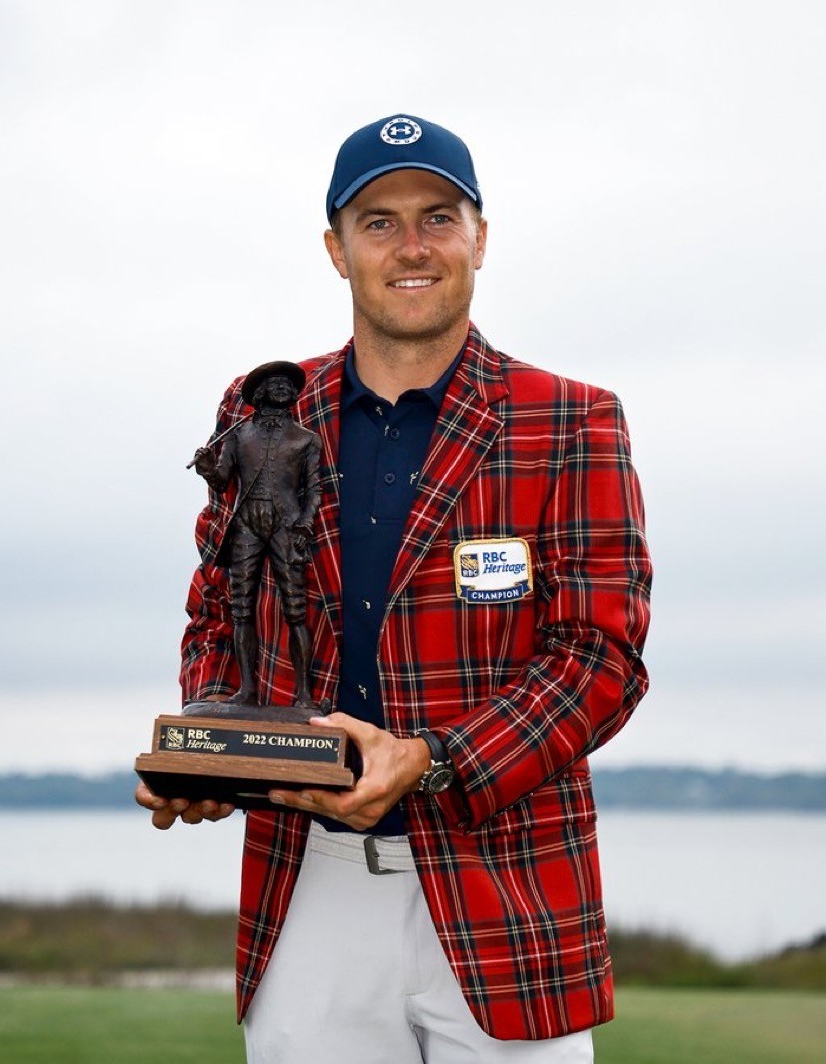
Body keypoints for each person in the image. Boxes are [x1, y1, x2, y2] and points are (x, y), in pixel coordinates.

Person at [136, 114, 652, 1063]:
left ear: (479, 238)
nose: (410, 245)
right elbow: (217, 602)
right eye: (377, 221)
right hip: (309, 882)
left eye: (437, 217)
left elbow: (600, 658)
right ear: (336, 249)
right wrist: (209, 741)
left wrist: (435, 758)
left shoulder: (572, 417)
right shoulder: (259, 405)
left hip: (507, 883)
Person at [191, 362, 322, 708]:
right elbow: (222, 482)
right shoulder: (237, 436)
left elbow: (314, 491)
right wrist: (207, 468)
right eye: (274, 384)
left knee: (296, 610)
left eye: (286, 384)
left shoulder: (307, 440)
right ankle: (247, 690)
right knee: (241, 609)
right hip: (247, 523)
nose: (282, 388)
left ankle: (304, 695)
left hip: (286, 525)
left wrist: (304, 525)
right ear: (260, 393)